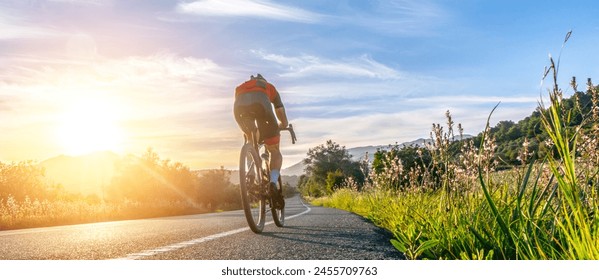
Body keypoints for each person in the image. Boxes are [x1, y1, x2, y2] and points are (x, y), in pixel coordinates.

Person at [233, 74, 288, 206]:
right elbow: (279, 110)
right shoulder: (269, 87)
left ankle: (251, 174)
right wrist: (284, 124)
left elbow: (244, 109)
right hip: (262, 105)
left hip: (239, 108)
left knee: (251, 139)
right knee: (274, 150)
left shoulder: (240, 87)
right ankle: (273, 183)